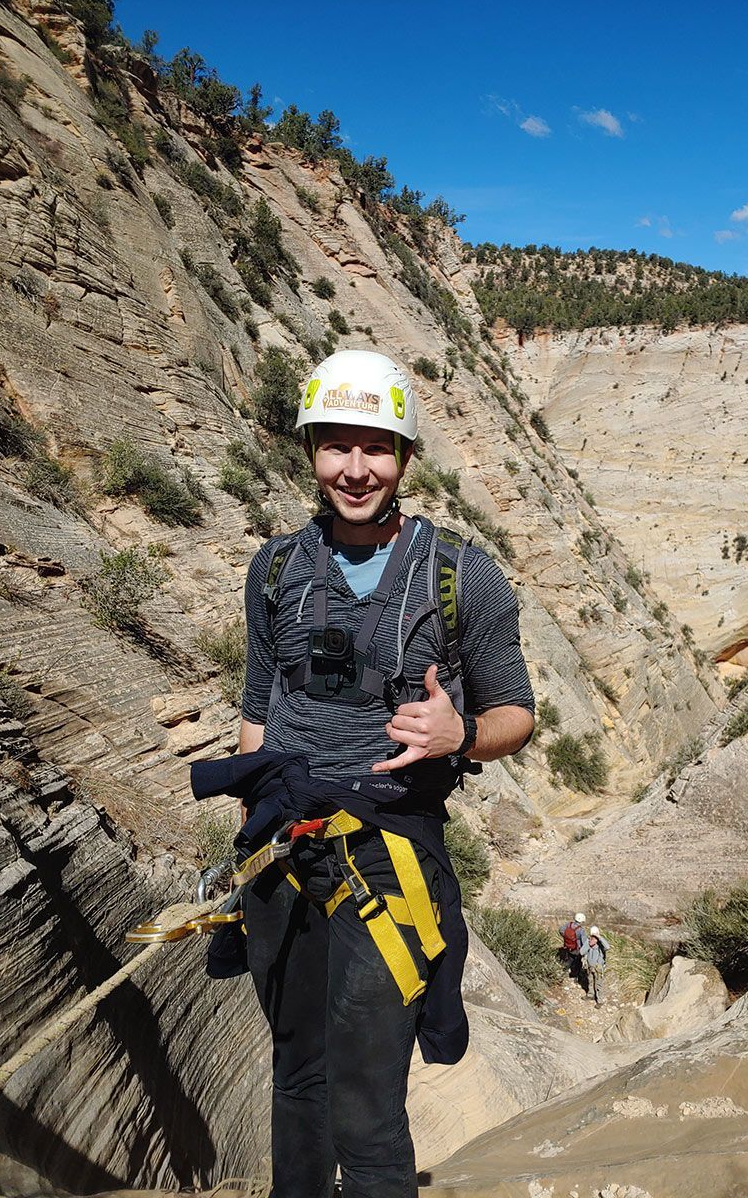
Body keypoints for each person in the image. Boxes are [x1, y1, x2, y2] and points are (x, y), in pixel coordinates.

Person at [221, 349, 535, 1198]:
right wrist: (243, 842)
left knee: (364, 1101)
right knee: (296, 1078)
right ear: (312, 449)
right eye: (336, 446)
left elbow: (519, 717)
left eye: (377, 448)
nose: (355, 470)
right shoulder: (276, 570)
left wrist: (457, 732)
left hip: (389, 863)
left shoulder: (462, 576)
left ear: (404, 459)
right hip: (284, 852)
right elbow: (259, 706)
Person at [559, 912, 588, 989]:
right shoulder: (581, 930)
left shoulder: (569, 925)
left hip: (568, 947)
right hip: (577, 949)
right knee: (578, 963)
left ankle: (562, 973)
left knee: (569, 960)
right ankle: (575, 977)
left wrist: (567, 939)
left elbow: (561, 930)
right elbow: (584, 942)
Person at [582, 923, 609, 1004]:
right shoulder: (588, 941)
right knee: (590, 981)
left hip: (598, 967)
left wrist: (599, 938)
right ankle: (591, 995)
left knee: (598, 984)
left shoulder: (601, 943)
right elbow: (581, 952)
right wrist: (589, 944)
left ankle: (599, 1000)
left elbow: (607, 947)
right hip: (590, 966)